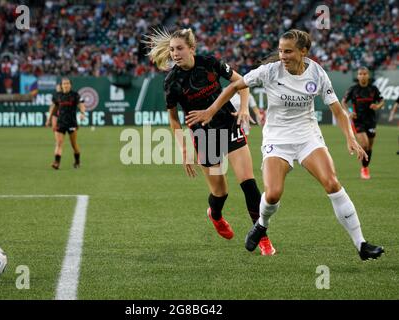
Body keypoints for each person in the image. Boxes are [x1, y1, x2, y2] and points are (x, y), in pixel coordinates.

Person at [186, 29, 384, 261]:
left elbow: (338, 111)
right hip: (277, 140)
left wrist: (350, 137)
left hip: (307, 137)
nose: (283, 55)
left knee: (332, 183)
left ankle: (361, 244)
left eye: (288, 51)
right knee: (272, 194)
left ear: (303, 52)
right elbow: (234, 86)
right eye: (280, 50)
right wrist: (212, 110)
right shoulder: (270, 71)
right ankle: (261, 224)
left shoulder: (317, 73)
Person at [144, 28, 276, 255]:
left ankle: (262, 236)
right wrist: (184, 149)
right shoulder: (172, 81)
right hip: (204, 136)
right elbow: (174, 119)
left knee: (249, 184)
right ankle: (215, 215)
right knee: (220, 192)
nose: (175, 54)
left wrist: (244, 107)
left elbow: (240, 83)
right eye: (173, 50)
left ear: (191, 49)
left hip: (229, 124)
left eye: (180, 49)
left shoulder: (210, 63)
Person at [342, 67, 384, 179]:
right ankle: (364, 169)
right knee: (364, 144)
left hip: (371, 121)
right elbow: (344, 102)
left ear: (368, 75)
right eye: (360, 74)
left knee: (369, 147)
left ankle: (365, 167)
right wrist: (348, 113)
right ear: (358, 76)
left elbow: (381, 100)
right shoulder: (353, 89)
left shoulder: (373, 89)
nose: (363, 76)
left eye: (365, 74)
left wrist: (377, 106)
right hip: (358, 121)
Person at [47, 77, 86, 170]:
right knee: (59, 143)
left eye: (68, 83)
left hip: (72, 123)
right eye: (64, 83)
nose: (66, 85)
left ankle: (77, 161)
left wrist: (82, 113)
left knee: (74, 144)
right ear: (61, 85)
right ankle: (56, 162)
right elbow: (54, 108)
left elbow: (81, 105)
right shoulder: (57, 96)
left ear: (70, 85)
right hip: (61, 123)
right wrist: (49, 119)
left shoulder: (75, 95)